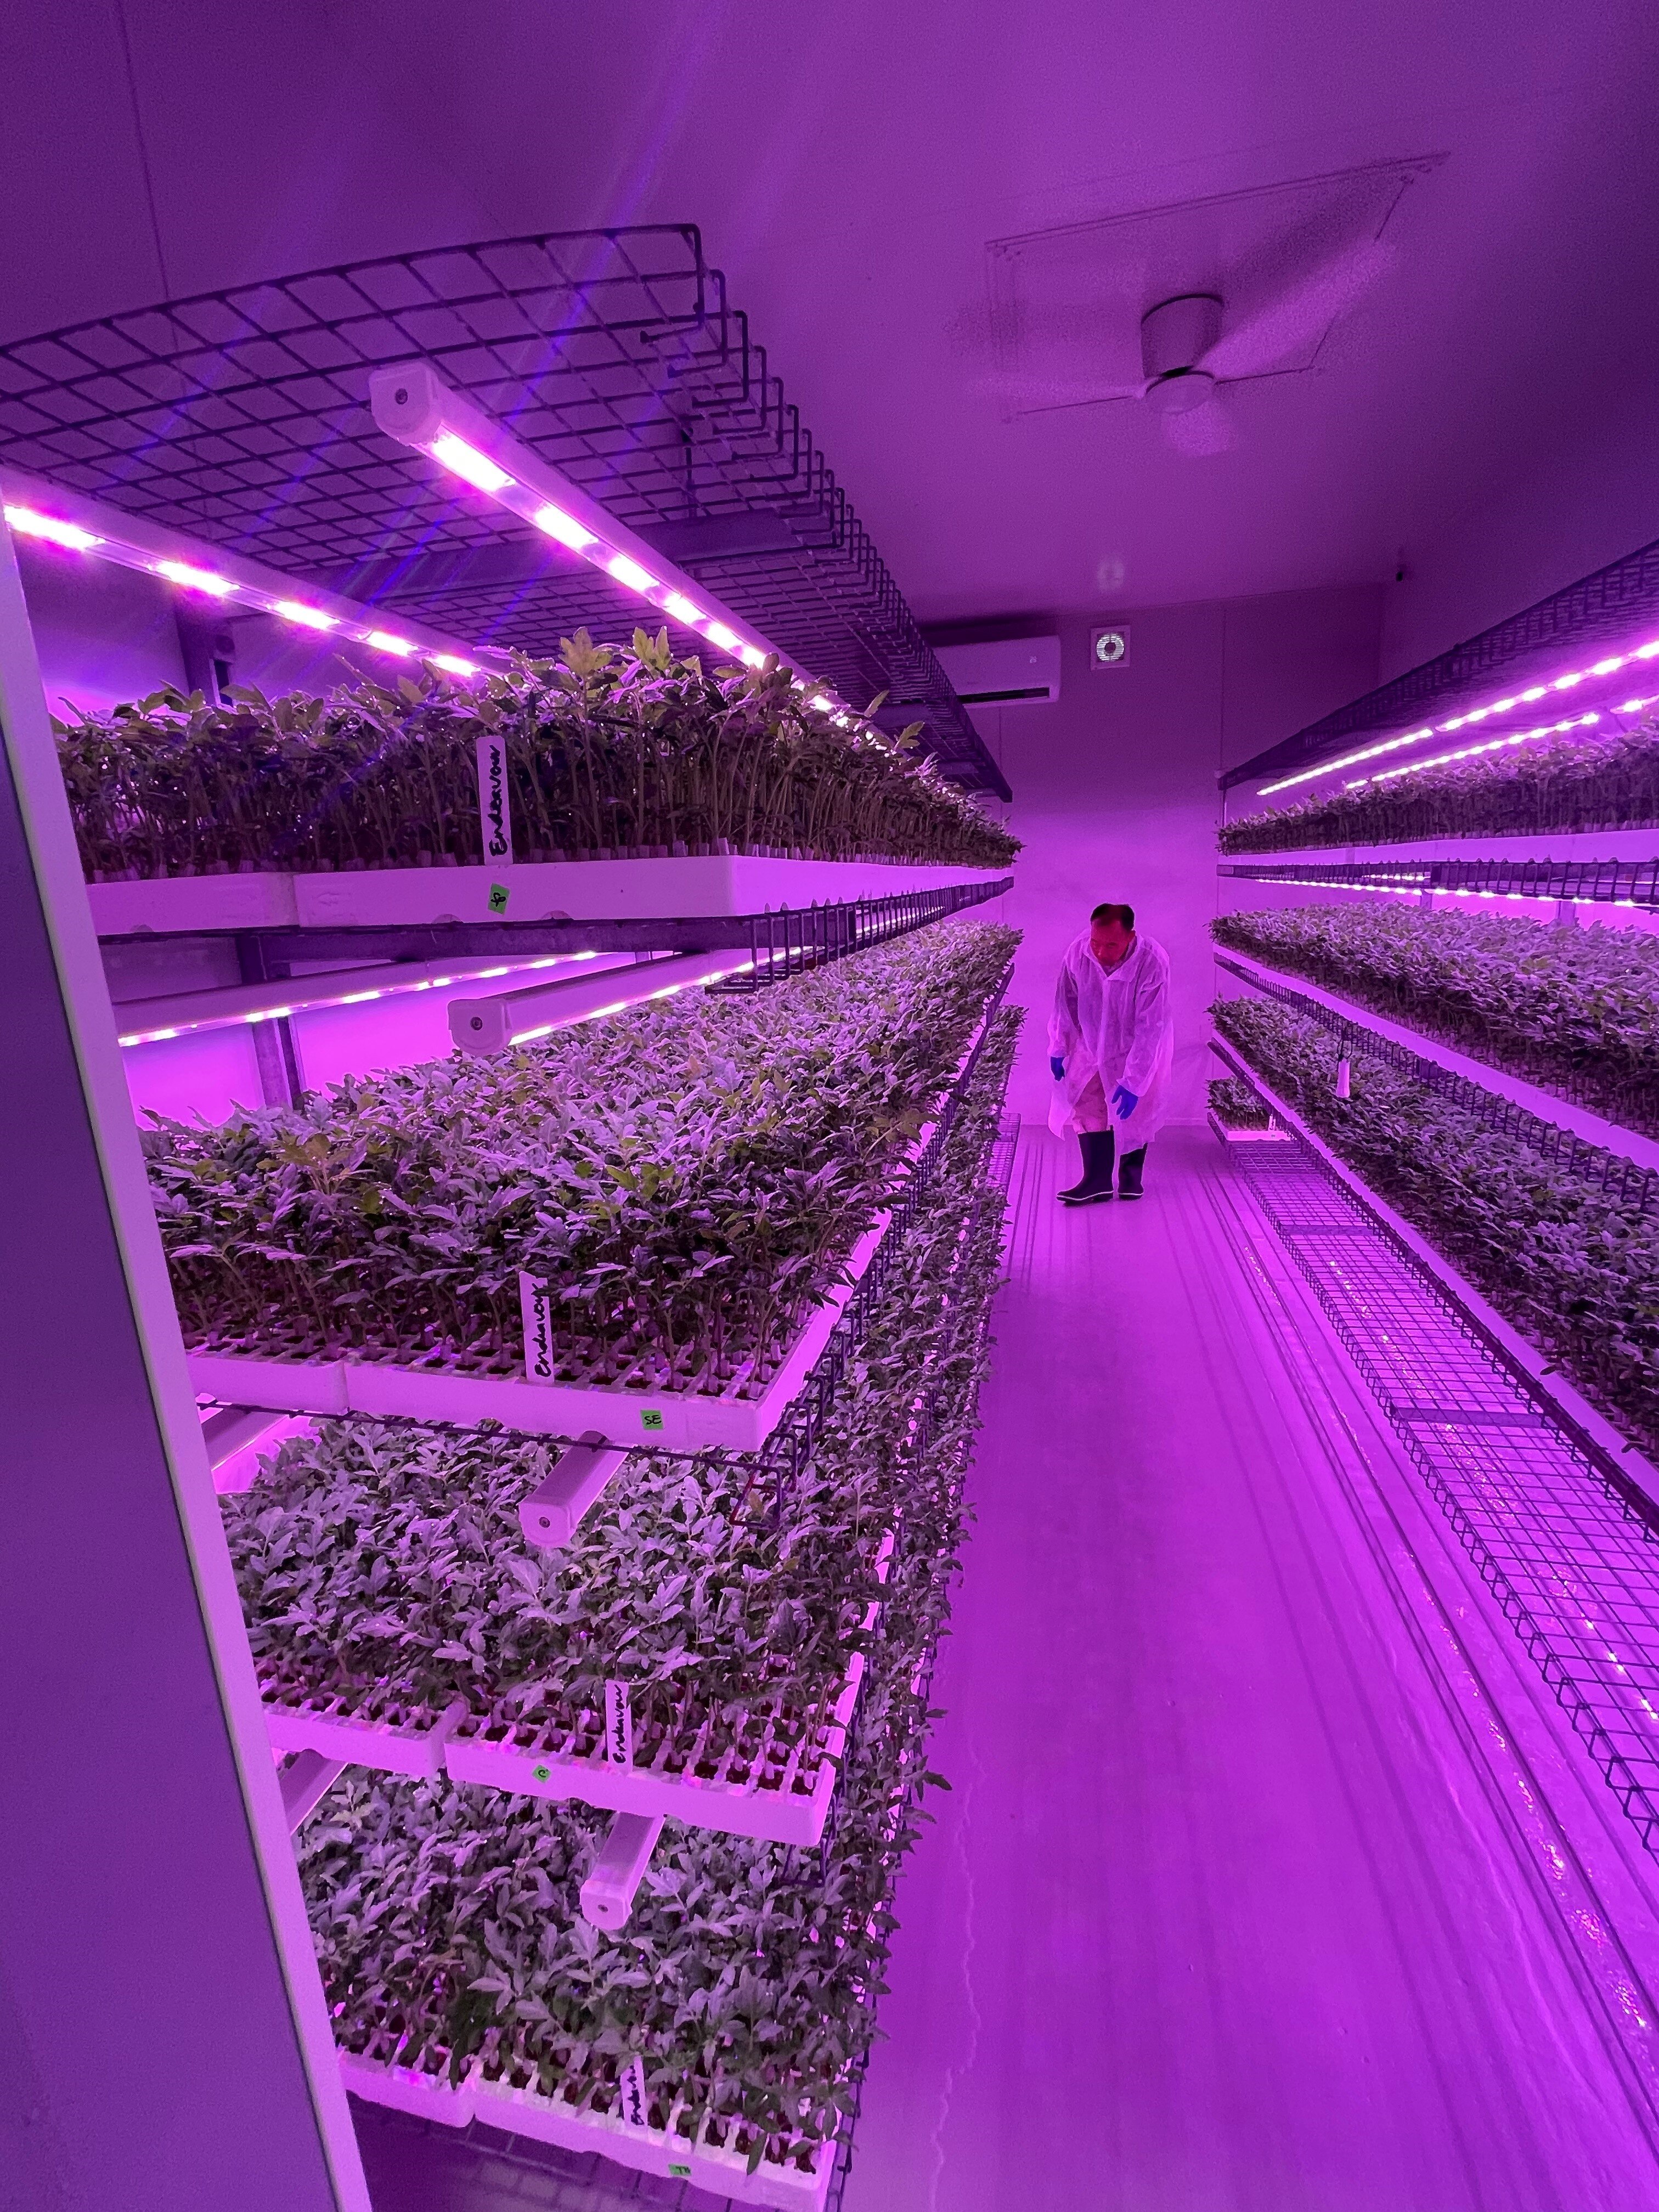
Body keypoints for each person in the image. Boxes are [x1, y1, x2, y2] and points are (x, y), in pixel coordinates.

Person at [1047, 901, 1175, 1204]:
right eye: (1096, 942)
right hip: (1090, 1043)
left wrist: (1135, 1080)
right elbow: (1065, 1002)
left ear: (1131, 936)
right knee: (1086, 1103)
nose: (1101, 952)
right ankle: (1097, 1181)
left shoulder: (1152, 961)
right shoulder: (1078, 953)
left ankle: (1131, 1179)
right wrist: (1059, 1044)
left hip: (1137, 1047)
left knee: (1138, 1112)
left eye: (1111, 945)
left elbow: (1151, 1027)